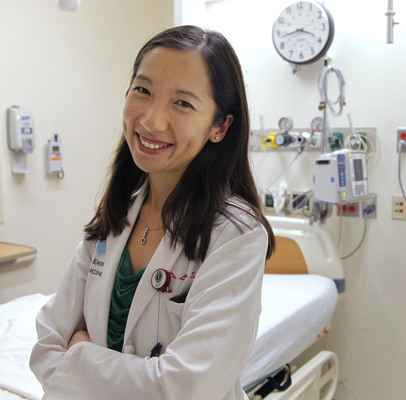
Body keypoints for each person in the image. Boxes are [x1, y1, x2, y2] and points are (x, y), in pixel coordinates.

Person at [30, 25, 275, 400]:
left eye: (183, 103)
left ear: (220, 126)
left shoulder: (235, 234)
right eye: (143, 90)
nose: (150, 121)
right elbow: (47, 343)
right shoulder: (116, 214)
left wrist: (79, 354)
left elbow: (186, 386)